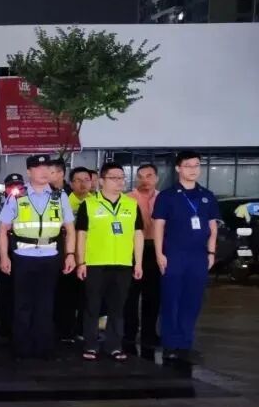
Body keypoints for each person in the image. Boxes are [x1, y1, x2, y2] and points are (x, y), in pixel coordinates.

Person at [0, 154, 76, 359]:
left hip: (50, 255)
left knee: (46, 303)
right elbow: (3, 229)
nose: (44, 172)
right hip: (23, 256)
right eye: (39, 168)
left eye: (47, 168)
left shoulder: (59, 196)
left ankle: (43, 348)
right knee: (22, 304)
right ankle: (22, 348)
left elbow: (70, 228)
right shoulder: (17, 196)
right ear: (29, 172)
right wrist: (4, 257)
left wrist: (70, 254)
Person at [153, 150, 219, 362]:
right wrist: (159, 254)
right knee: (171, 299)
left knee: (193, 300)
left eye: (196, 165)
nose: (193, 170)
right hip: (174, 254)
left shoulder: (207, 195)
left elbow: (213, 227)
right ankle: (170, 343)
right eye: (188, 166)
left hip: (198, 256)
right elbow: (158, 227)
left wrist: (211, 252)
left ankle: (185, 342)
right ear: (178, 168)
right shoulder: (167, 196)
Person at [76, 162, 144, 361]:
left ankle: (114, 345)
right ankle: (91, 344)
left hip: (123, 263)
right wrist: (81, 262)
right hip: (95, 263)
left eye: (121, 178)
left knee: (118, 307)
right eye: (114, 178)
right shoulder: (89, 204)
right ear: (102, 181)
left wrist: (138, 262)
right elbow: (82, 235)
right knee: (93, 306)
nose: (119, 182)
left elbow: (138, 234)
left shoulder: (131, 205)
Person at [124, 163, 161, 354]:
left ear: (157, 178)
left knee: (153, 295)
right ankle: (129, 333)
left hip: (156, 250)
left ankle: (149, 333)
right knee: (130, 295)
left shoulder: (164, 198)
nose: (145, 180)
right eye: (141, 176)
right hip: (132, 250)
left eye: (149, 176)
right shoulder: (127, 199)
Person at [56, 167, 95, 342]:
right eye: (78, 180)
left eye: (86, 180)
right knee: (67, 296)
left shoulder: (97, 203)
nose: (83, 184)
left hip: (90, 256)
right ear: (71, 184)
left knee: (88, 296)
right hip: (68, 256)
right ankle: (65, 331)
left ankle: (84, 330)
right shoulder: (62, 202)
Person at [0, 173, 26, 338]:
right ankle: (5, 326)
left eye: (19, 186)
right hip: (3, 250)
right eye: (11, 186)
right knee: (5, 291)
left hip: (22, 250)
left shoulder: (28, 203)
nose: (15, 190)